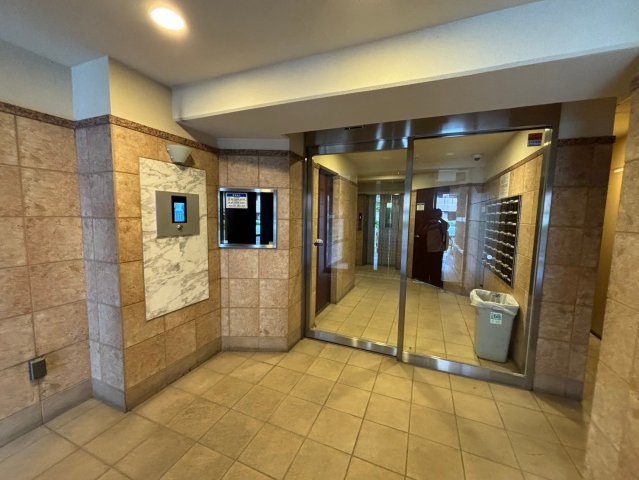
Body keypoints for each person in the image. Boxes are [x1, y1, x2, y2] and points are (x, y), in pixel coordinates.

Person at [422, 208, 449, 288]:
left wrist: (439, 218)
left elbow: (447, 225)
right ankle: (433, 281)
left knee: (436, 267)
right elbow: (421, 232)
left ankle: (436, 282)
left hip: (437, 249)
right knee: (433, 266)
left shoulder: (440, 225)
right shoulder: (429, 225)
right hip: (431, 249)